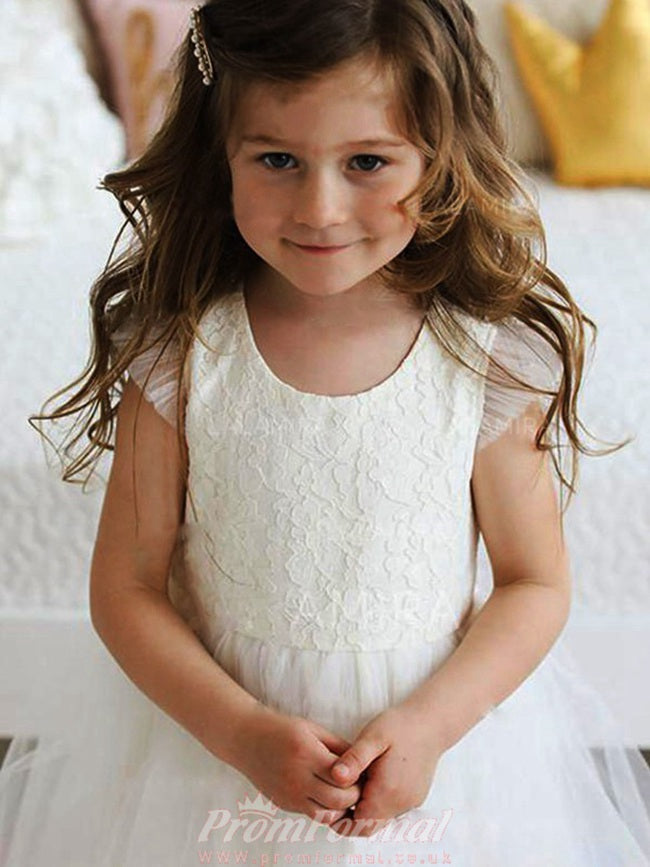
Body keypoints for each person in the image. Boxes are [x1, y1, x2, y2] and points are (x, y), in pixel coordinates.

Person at [2, 1, 650, 864]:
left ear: (439, 155)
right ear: (221, 154)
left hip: (434, 766)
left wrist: (431, 727)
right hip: (210, 763)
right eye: (277, 159)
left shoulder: (483, 359)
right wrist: (240, 733)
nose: (320, 207)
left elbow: (535, 583)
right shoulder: (183, 352)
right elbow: (126, 589)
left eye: (368, 162)